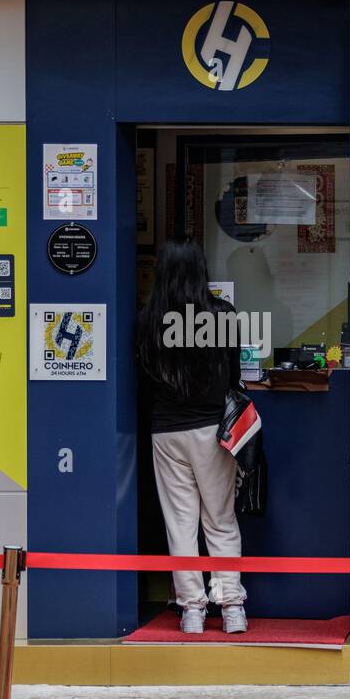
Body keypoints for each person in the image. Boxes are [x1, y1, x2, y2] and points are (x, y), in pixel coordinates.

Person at [137, 239, 248, 634]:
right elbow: (234, 376)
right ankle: (231, 606)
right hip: (213, 431)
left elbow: (144, 382)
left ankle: (192, 611)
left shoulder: (148, 320)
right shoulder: (222, 315)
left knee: (180, 524)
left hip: (166, 432)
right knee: (220, 520)